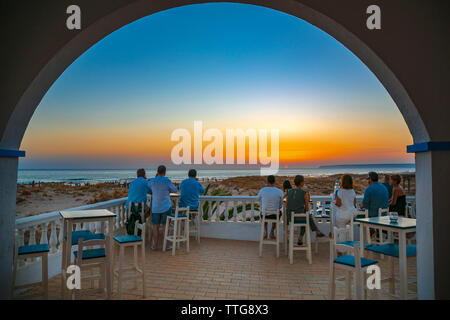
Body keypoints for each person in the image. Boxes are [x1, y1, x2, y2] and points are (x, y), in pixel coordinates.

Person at [286, 175, 325, 245]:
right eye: (303, 181)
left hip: (290, 218)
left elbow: (287, 204)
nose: (304, 183)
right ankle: (314, 231)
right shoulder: (304, 193)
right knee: (307, 217)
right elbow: (307, 208)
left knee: (306, 217)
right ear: (301, 183)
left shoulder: (289, 191)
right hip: (298, 218)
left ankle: (302, 238)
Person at [149, 165, 178, 250]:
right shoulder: (167, 181)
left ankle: (155, 246)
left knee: (155, 226)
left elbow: (149, 189)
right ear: (165, 172)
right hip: (166, 206)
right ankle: (166, 245)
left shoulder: (152, 181)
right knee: (166, 226)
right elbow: (175, 190)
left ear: (157, 172)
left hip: (155, 207)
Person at [256, 175, 284, 239]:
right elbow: (282, 202)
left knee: (262, 213)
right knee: (279, 213)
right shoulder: (279, 191)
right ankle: (272, 231)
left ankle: (265, 231)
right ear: (274, 182)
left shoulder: (262, 190)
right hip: (275, 215)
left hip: (264, 215)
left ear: (267, 181)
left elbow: (257, 199)